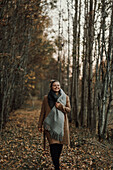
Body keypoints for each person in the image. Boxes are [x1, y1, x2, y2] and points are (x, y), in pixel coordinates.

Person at [38, 80, 71, 170]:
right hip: (49, 125)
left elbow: (68, 110)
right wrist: (39, 125)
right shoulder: (46, 98)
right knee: (53, 147)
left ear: (60, 86)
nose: (56, 87)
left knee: (59, 147)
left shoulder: (65, 97)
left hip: (62, 126)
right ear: (51, 87)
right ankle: (57, 166)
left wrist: (61, 107)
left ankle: (56, 162)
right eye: (54, 85)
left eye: (58, 85)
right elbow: (42, 112)